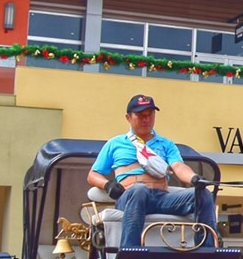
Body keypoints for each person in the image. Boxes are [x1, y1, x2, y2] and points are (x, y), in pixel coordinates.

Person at [88, 94, 216, 247]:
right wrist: (108, 185)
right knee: (139, 190)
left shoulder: (166, 144)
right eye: (141, 115)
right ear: (128, 118)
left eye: (150, 115)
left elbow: (178, 167)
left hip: (161, 198)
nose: (146, 120)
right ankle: (130, 251)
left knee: (204, 195)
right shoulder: (115, 143)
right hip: (131, 198)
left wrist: (194, 179)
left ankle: (207, 250)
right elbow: (92, 175)